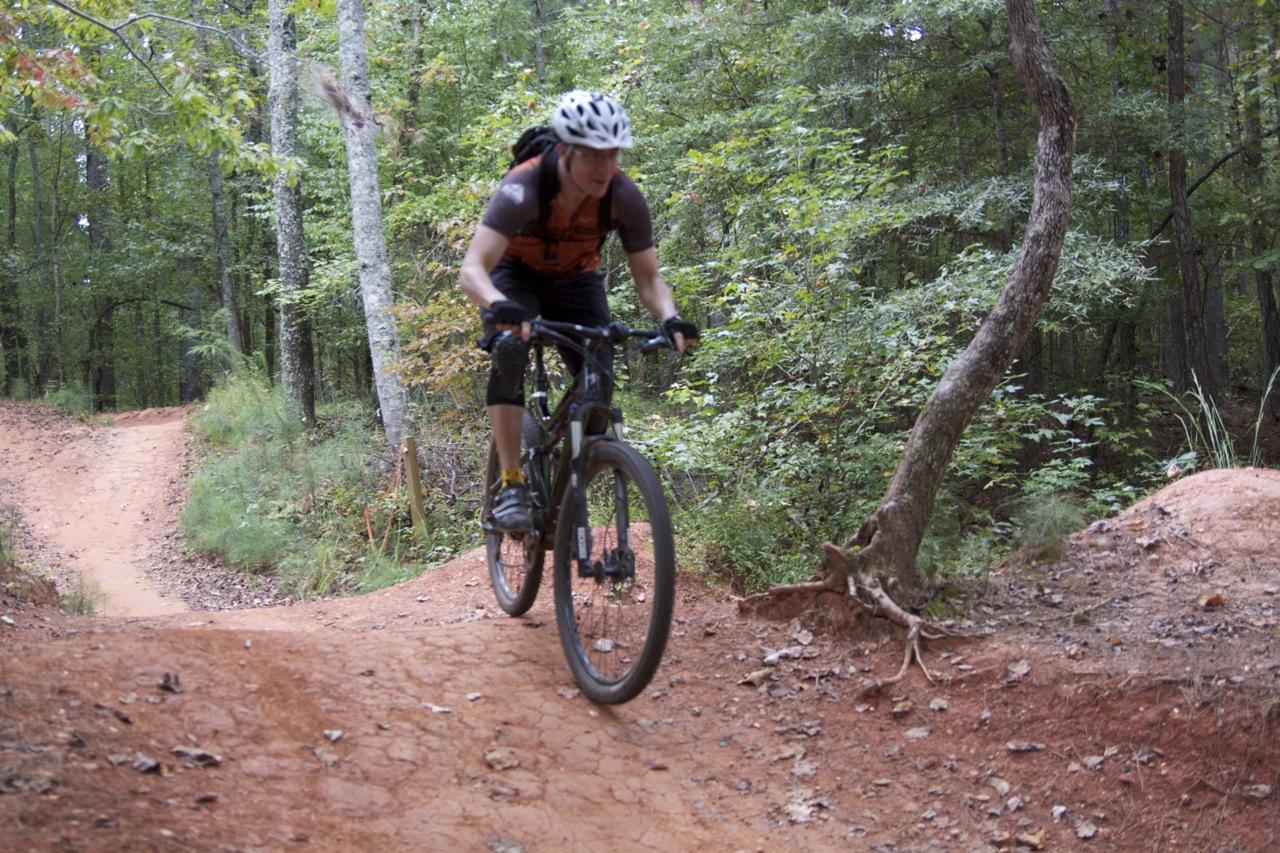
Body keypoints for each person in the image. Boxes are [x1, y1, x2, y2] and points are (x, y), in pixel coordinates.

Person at [459, 90, 698, 531]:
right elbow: (473, 269)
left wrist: (669, 318)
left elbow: (648, 277)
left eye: (613, 155)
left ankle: (579, 477)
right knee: (510, 350)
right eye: (593, 156)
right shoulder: (524, 187)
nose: (606, 168)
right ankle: (512, 482)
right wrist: (498, 305)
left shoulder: (623, 196)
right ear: (566, 151)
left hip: (576, 281)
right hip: (516, 276)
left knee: (599, 377)